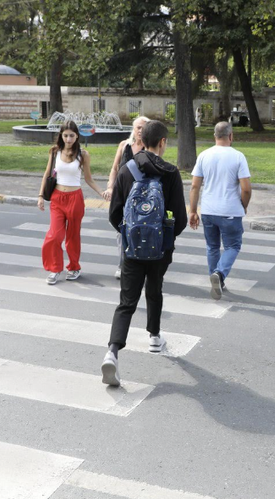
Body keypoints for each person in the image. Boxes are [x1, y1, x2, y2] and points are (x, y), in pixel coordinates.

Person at [101, 120, 188, 386]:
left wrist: (129, 236)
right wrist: (165, 239)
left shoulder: (127, 170)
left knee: (126, 301)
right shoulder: (171, 173)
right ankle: (154, 336)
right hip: (159, 248)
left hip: (132, 247)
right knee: (155, 289)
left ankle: (112, 352)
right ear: (163, 142)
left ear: (141, 139)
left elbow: (115, 214)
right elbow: (179, 218)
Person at [38, 120, 106, 285]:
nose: (68, 139)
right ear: (61, 135)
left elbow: (89, 179)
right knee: (54, 236)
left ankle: (74, 267)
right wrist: (41, 196)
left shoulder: (83, 155)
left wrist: (101, 192)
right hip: (57, 198)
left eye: (72, 136)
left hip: (75, 199)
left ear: (77, 136)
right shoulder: (55, 152)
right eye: (66, 135)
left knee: (73, 237)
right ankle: (55, 269)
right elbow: (47, 174)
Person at [189, 121, 252, 300]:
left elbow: (195, 186)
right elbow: (246, 188)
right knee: (233, 245)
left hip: (208, 210)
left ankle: (216, 280)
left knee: (212, 247)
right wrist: (244, 205)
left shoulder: (204, 155)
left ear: (214, 136)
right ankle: (219, 274)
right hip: (230, 210)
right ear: (231, 136)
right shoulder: (238, 156)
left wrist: (193, 211)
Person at [103, 116, 150, 280]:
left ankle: (140, 264)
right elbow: (114, 169)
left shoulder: (150, 148)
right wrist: (110, 187)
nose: (140, 131)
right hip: (122, 196)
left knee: (141, 231)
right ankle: (123, 265)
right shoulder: (124, 146)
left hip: (142, 199)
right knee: (121, 231)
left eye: (143, 128)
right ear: (133, 128)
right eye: (138, 127)